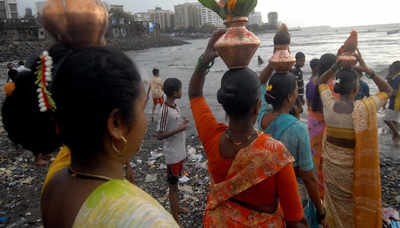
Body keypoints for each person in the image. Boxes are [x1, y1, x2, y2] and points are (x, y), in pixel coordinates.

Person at [41, 46, 178, 227]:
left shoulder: (55, 185)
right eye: (142, 109)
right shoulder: (147, 220)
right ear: (116, 124)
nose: (145, 121)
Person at [189, 30, 306, 227]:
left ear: (224, 104)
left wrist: (205, 60)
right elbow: (295, 219)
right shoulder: (276, 155)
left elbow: (194, 94)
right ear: (258, 106)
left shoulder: (212, 138)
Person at [318, 49, 392, 227]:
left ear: (336, 86)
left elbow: (321, 80)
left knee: (336, 206)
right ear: (356, 88)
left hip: (331, 169)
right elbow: (387, 90)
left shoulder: (328, 104)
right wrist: (368, 70)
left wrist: (335, 66)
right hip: (353, 172)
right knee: (353, 206)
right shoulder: (365, 107)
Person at [262, 72, 325, 227]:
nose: (298, 92)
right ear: (290, 97)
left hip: (268, 189)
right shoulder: (298, 129)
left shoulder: (261, 117)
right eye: (296, 89)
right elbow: (308, 176)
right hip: (292, 193)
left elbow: (260, 83)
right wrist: (321, 210)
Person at [156, 77, 189, 225]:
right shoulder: (164, 110)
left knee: (176, 185)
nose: (182, 91)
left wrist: (182, 124)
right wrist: (179, 129)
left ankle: (177, 207)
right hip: (172, 156)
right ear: (175, 92)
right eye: (180, 89)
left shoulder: (175, 106)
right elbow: (159, 135)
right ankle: (175, 217)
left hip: (179, 152)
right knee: (173, 187)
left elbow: (173, 126)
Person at [307, 53, 337, 199]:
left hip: (313, 123)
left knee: (315, 157)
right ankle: (324, 195)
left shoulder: (311, 81)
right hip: (325, 124)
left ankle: (316, 192)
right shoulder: (332, 85)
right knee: (326, 160)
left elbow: (309, 103)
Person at [384, 60, 400, 144]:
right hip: (397, 102)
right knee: (394, 120)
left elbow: (393, 91)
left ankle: (396, 134)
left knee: (386, 119)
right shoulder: (397, 77)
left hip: (395, 103)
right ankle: (395, 139)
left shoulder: (396, 78)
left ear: (395, 69)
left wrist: (385, 96)